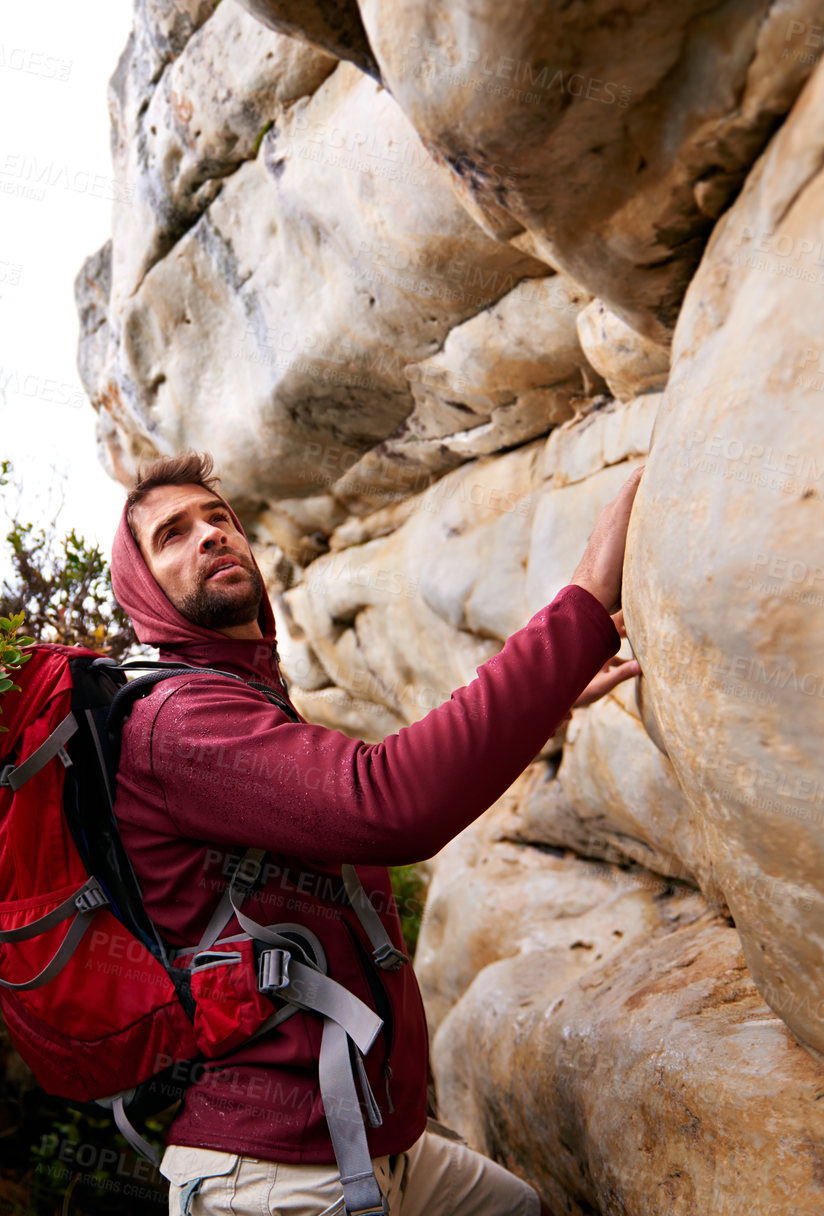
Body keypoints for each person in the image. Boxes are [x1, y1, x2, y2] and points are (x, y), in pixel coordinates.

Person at [108, 450, 643, 1216]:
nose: (210, 536)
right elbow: (389, 801)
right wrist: (583, 604)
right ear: (142, 590)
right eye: (172, 535)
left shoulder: (245, 698)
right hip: (272, 1175)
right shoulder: (179, 722)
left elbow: (384, 781)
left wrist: (548, 696)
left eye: (218, 518)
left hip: (375, 1143)